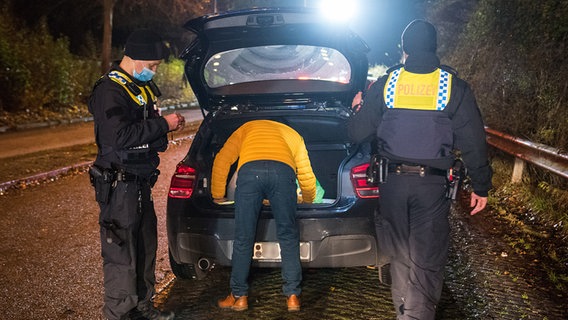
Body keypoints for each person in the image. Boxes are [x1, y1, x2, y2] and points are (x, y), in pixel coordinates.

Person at [348, 20, 492, 319]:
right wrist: (481, 186)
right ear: (435, 46)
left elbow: (356, 133)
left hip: (391, 184)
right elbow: (474, 140)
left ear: (404, 49)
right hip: (432, 187)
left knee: (400, 255)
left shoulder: (387, 83)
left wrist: (358, 108)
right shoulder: (452, 85)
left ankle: (406, 313)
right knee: (426, 258)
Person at [88, 29, 184, 320]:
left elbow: (152, 136)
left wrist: (159, 129)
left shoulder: (139, 87)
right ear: (134, 59)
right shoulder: (110, 90)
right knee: (121, 255)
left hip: (140, 182)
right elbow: (119, 136)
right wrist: (163, 125)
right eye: (152, 66)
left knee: (145, 250)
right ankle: (119, 315)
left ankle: (143, 309)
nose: (153, 71)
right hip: (118, 185)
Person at [211, 119, 317, 312]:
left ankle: (239, 296)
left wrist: (218, 195)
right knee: (288, 235)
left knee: (244, 237)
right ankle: (292, 296)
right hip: (283, 174)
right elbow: (305, 172)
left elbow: (222, 159)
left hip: (251, 174)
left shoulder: (246, 128)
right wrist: (308, 199)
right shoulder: (293, 134)